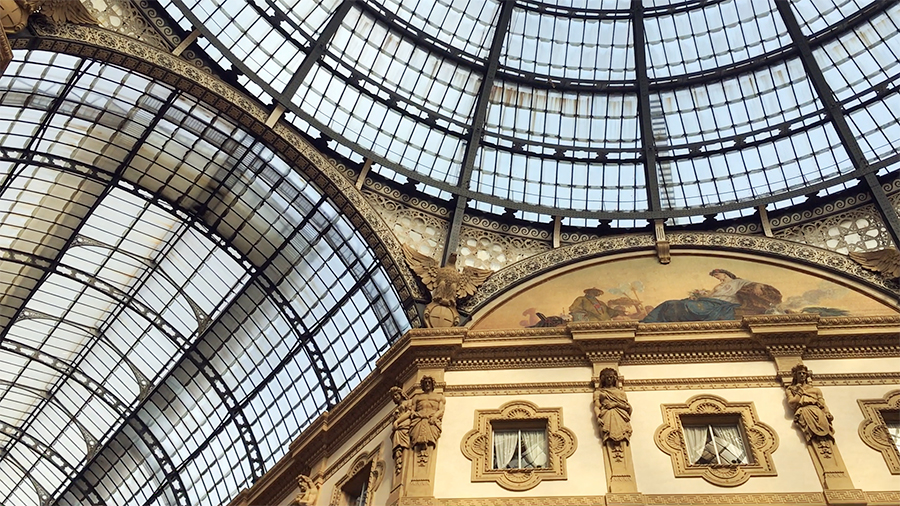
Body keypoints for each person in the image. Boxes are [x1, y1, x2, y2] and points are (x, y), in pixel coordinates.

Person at [642, 269, 781, 322]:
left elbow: (756, 284)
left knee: (685, 306)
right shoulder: (717, 286)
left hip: (723, 305)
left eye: (717, 274)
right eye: (715, 276)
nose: (716, 277)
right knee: (670, 303)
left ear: (724, 273)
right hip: (711, 302)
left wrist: (757, 287)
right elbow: (710, 295)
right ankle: (648, 322)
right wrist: (698, 296)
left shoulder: (738, 282)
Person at [786, 364, 834, 442]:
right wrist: (799, 392)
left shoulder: (816, 390)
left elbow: (822, 403)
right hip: (805, 411)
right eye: (799, 373)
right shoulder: (791, 389)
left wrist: (827, 412)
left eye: (803, 373)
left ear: (806, 375)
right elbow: (792, 403)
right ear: (795, 376)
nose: (802, 375)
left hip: (817, 411)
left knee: (824, 430)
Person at [593, 368, 632, 444]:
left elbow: (627, 407)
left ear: (614, 378)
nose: (609, 379)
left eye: (611, 377)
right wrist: (598, 417)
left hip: (620, 415)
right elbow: (597, 406)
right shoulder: (598, 392)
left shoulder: (621, 393)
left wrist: (615, 404)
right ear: (603, 379)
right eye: (607, 378)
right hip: (606, 414)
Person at [409, 376, 445, 450]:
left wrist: (435, 416)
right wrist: (414, 413)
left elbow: (441, 410)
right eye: (425, 383)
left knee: (430, 441)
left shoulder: (439, 397)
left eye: (429, 382)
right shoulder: (417, 398)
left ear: (432, 384)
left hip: (431, 421)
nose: (427, 384)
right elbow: (412, 410)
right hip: (418, 420)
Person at [389, 386, 411, 474]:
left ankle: (401, 462)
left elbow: (409, 412)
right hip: (398, 428)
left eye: (396, 394)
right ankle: (399, 460)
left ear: (401, 394)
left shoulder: (408, 402)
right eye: (393, 396)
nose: (395, 397)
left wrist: (397, 421)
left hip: (404, 425)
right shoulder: (396, 409)